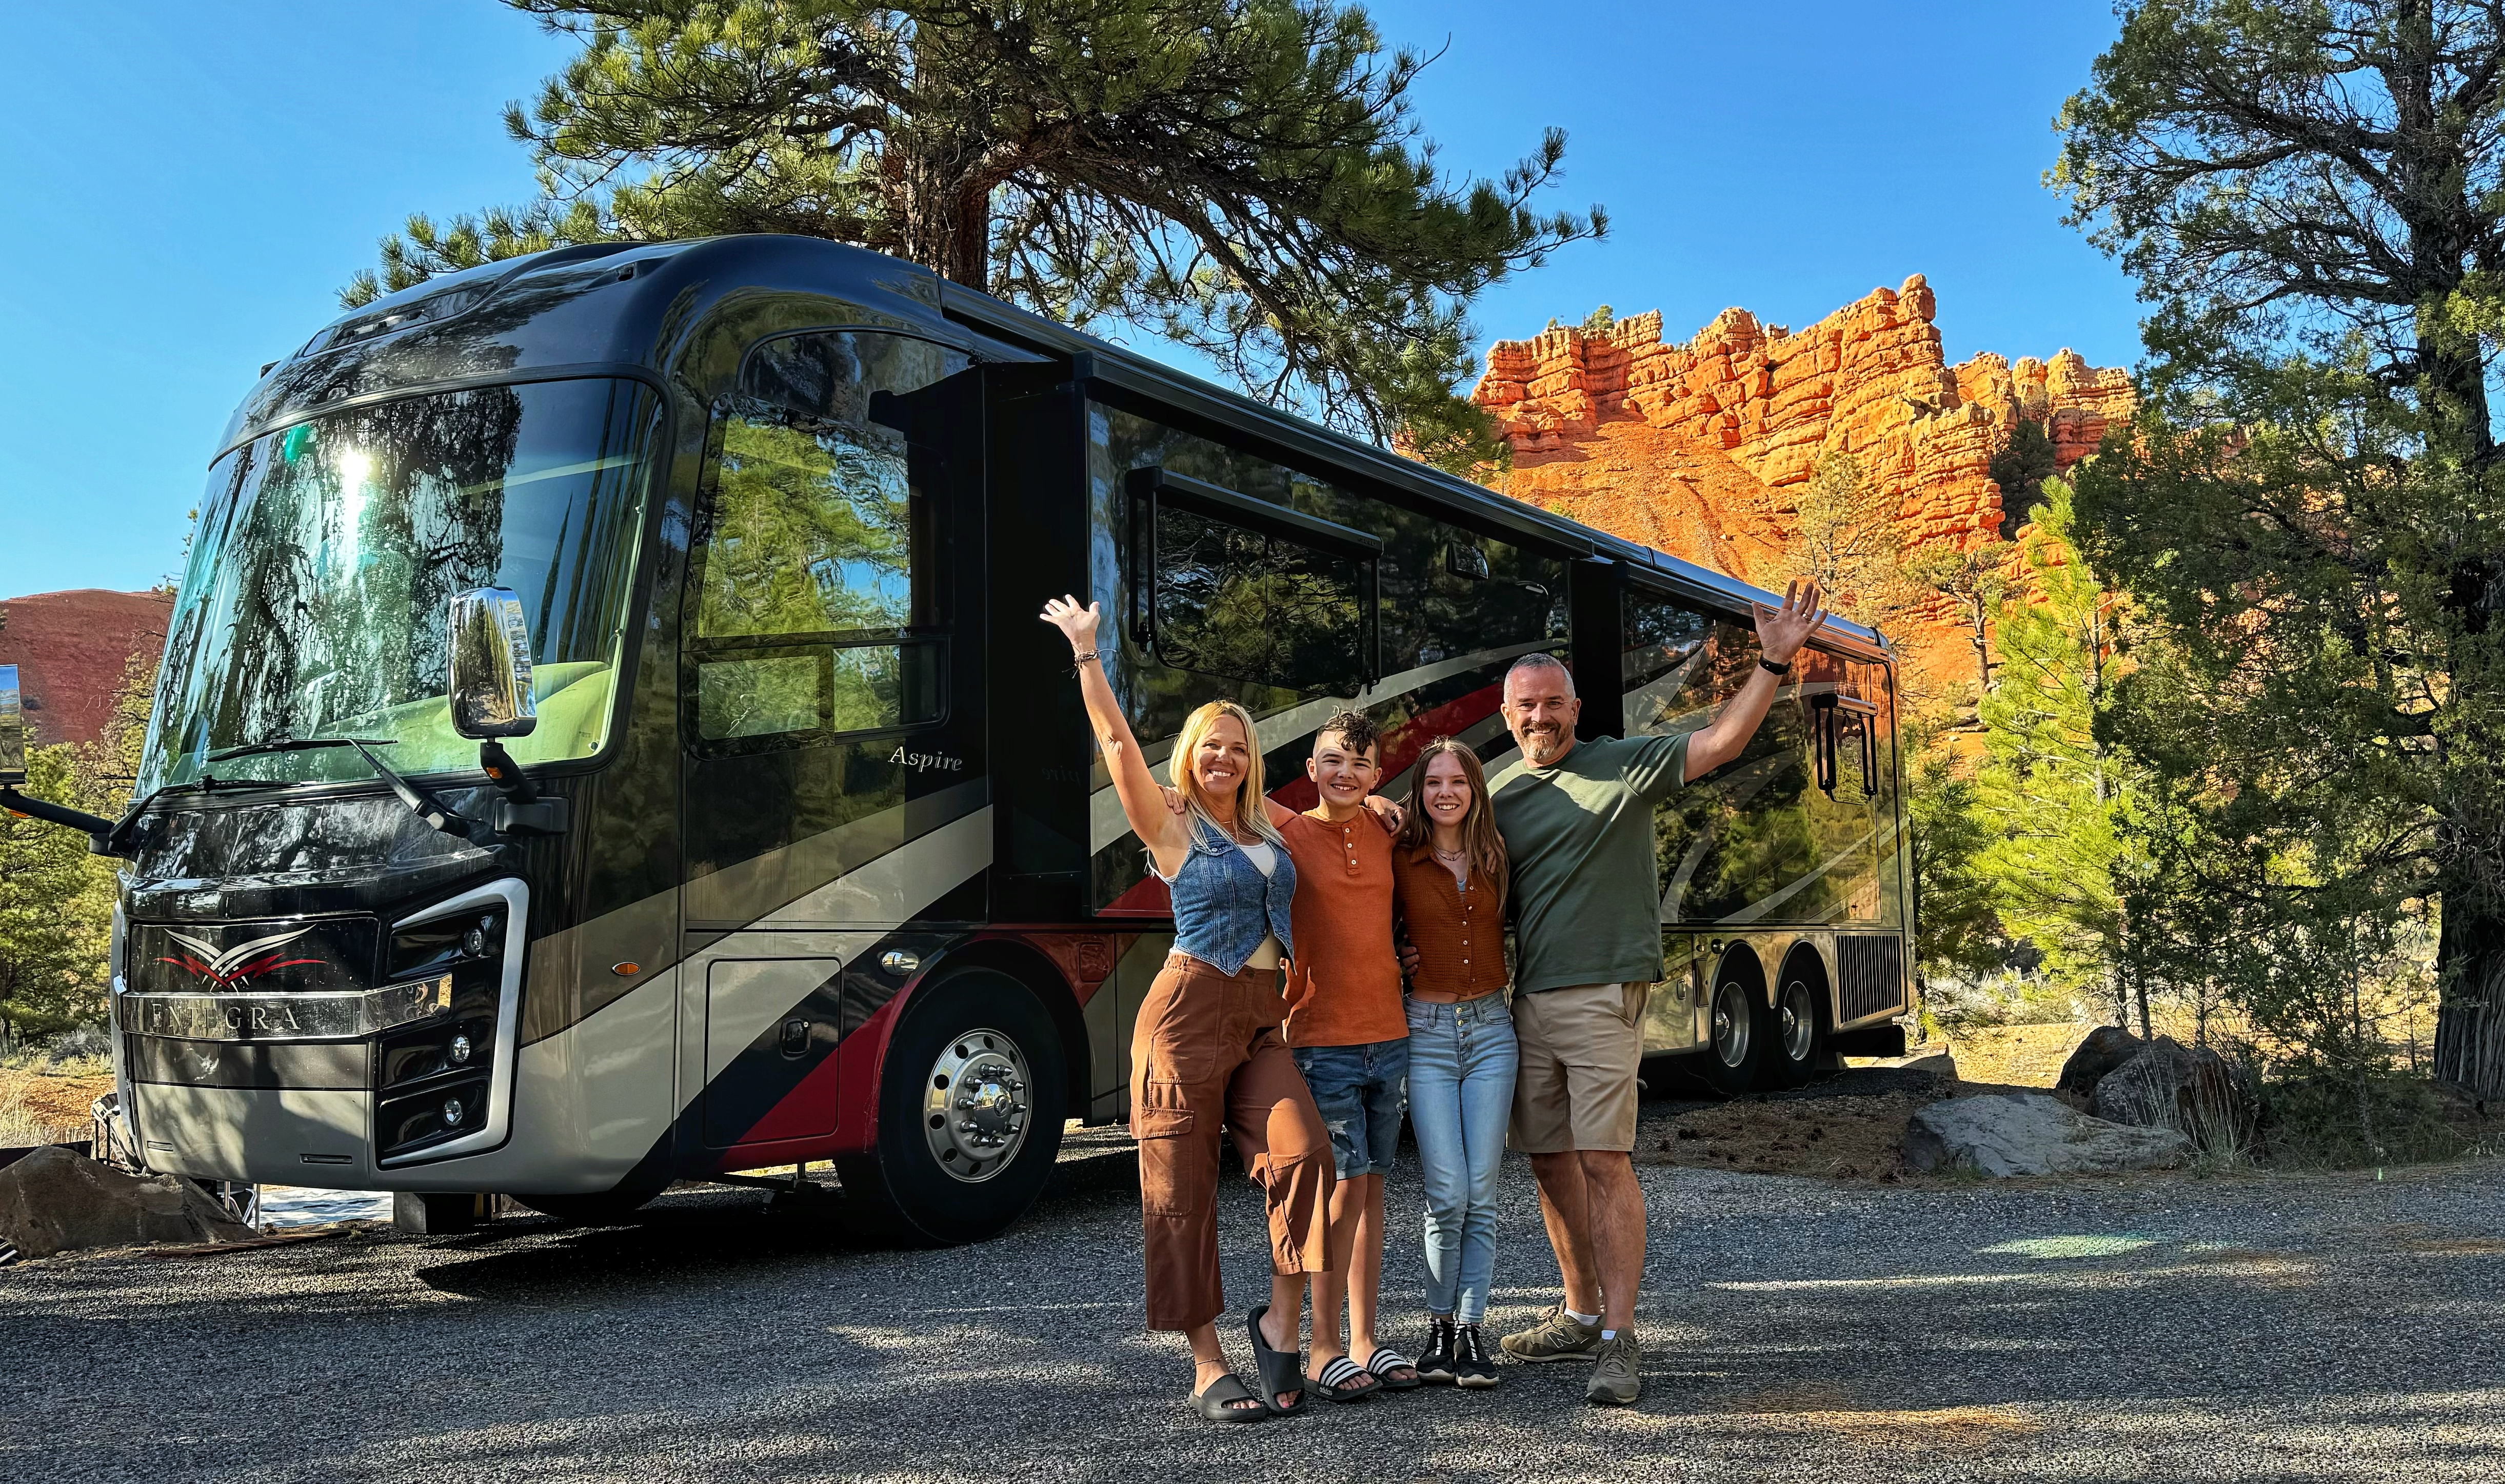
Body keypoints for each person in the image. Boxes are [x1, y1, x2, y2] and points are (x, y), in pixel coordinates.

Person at [1481, 579, 1828, 1406]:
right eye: (1524, 707)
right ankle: (1578, 1309)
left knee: (1604, 1161)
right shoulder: (1497, 797)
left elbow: (1720, 742)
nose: (1539, 718)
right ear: (1506, 716)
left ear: (1576, 707)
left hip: (1604, 995)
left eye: (1552, 704)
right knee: (1549, 1162)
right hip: (1526, 1001)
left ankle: (1619, 1338)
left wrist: (1774, 660)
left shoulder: (1622, 764)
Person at [1039, 594, 1333, 1425]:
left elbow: (1326, 821)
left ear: (1249, 760)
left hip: (1260, 1015)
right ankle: (1207, 1365)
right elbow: (1113, 743)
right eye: (1211, 745)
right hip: (1185, 1012)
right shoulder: (1170, 827)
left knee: (1303, 1154)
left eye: (1237, 748)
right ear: (1190, 755)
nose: (1224, 758)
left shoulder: (1265, 827)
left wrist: (1374, 809)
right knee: (1180, 1189)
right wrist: (1086, 651)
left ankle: (1278, 1319)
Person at [1268, 711, 1419, 1401]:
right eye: (1333, 760)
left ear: (1378, 774)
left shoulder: (1388, 832)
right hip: (1320, 1036)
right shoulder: (1291, 832)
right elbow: (1223, 790)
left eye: (1361, 763)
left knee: (1374, 1186)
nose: (1346, 773)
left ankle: (1363, 1337)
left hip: (1388, 1034)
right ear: (1310, 769)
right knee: (1339, 1190)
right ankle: (1321, 1343)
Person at [1389, 736, 1516, 1389]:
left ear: (1475, 789)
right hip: (1428, 1033)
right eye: (1434, 781)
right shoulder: (1400, 856)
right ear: (1420, 790)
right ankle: (1437, 1328)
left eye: (1458, 781)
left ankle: (1471, 1330)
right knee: (1448, 1191)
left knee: (1484, 1194)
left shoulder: (1497, 854)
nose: (1446, 792)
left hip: (1494, 1031)